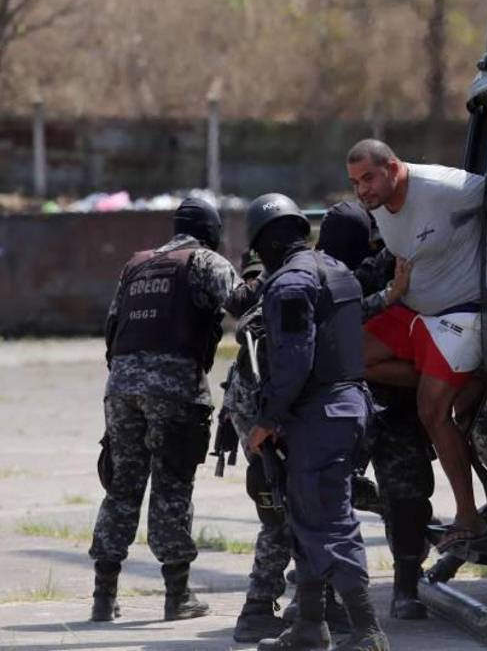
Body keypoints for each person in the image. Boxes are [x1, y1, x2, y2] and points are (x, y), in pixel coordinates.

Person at [241, 193, 387, 651]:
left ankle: (367, 632)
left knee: (328, 519)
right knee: (307, 515)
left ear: (265, 243)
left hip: (317, 415)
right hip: (346, 408)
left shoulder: (289, 284)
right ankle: (309, 625)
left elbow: (293, 360)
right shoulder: (337, 272)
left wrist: (267, 419)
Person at [88, 196, 239, 623]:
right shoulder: (206, 261)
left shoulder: (136, 264)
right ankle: (178, 595)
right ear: (212, 230)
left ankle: (103, 596)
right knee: (172, 486)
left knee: (122, 487)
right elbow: (244, 304)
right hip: (175, 388)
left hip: (121, 388)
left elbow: (112, 328)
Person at [345, 139, 487, 550]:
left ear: (393, 168)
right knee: (347, 357)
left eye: (368, 178)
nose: (362, 191)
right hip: (414, 309)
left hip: (461, 311)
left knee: (432, 410)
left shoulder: (447, 188)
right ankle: (463, 380)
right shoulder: (379, 207)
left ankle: (468, 516)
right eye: (355, 183)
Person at [319, 200, 433, 620]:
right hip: (342, 407)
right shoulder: (326, 277)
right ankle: (324, 592)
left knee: (408, 495)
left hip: (391, 405)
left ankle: (406, 585)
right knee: (327, 497)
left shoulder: (392, 259)